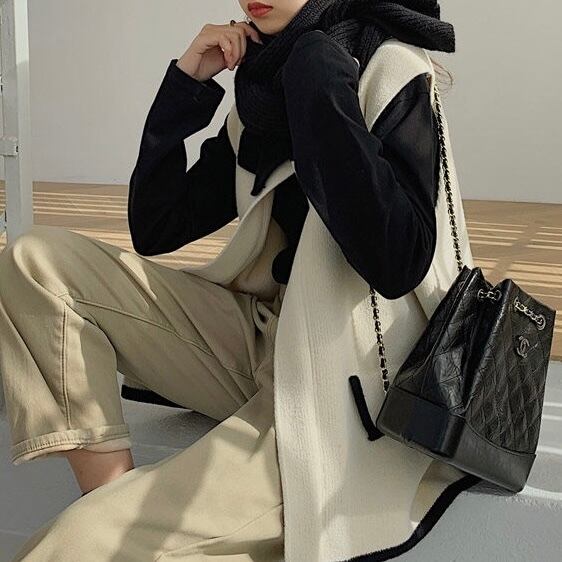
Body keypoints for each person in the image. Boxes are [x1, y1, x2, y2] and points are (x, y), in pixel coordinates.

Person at [0, 1, 473, 560]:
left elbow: (399, 261)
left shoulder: (390, 69)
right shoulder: (263, 93)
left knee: (75, 544)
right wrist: (185, 87)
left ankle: (110, 530)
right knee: (35, 261)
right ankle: (110, 497)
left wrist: (319, 80)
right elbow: (157, 225)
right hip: (260, 342)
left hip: (346, 389)